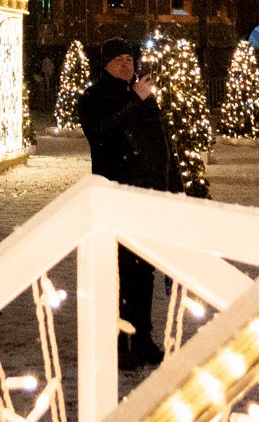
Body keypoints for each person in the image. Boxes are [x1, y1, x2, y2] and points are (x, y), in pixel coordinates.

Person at [75, 37, 180, 369]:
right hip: (117, 194)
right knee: (119, 273)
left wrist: (173, 184)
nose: (126, 64)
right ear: (105, 64)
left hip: (148, 195)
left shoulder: (143, 96)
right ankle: (119, 343)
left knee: (144, 270)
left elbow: (162, 143)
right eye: (118, 59)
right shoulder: (94, 98)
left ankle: (143, 339)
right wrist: (134, 99)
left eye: (130, 59)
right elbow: (101, 134)